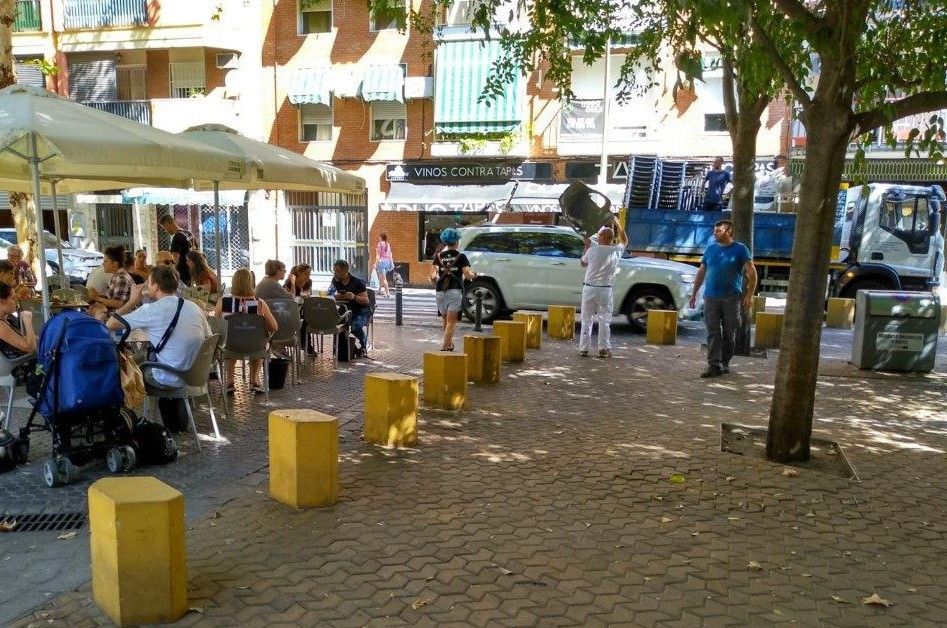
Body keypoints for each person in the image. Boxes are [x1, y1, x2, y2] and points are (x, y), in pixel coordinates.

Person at [106, 265, 210, 391]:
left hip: (167, 378)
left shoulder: (151, 311)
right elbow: (208, 337)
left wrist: (132, 301)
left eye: (148, 283)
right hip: (195, 376)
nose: (146, 286)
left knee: (129, 368)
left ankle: (132, 408)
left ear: (155, 287)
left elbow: (110, 324)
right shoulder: (194, 307)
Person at [689, 220, 757, 378]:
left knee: (729, 333)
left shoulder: (740, 249)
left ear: (729, 232)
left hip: (731, 299)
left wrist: (749, 295)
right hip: (711, 298)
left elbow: (751, 273)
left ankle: (725, 362)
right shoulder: (711, 249)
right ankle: (714, 365)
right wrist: (694, 293)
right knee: (713, 332)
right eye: (714, 230)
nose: (714, 233)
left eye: (718, 230)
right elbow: (702, 271)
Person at [215, 267, 277, 394]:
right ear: (251, 282)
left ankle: (229, 381)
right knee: (258, 339)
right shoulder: (260, 304)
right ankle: (254, 380)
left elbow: (215, 325)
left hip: (231, 347)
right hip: (255, 347)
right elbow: (275, 327)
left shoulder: (223, 302)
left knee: (230, 338)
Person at [578, 220, 627, 359]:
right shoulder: (616, 251)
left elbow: (582, 263)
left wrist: (586, 248)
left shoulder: (593, 250)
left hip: (589, 289)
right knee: (604, 320)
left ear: (604, 237)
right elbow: (625, 240)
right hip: (605, 290)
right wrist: (618, 224)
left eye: (599, 235)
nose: (598, 237)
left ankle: (584, 349)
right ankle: (603, 349)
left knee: (586, 319)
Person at [430, 228, 475, 352]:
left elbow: (433, 277)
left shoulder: (438, 257)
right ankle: (445, 346)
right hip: (455, 291)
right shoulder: (461, 257)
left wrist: (437, 281)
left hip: (440, 291)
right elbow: (467, 274)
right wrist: (474, 275)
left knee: (445, 319)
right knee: (451, 322)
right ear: (456, 241)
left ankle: (449, 344)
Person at [331, 259, 371, 357]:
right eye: (334, 270)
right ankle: (341, 349)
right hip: (345, 309)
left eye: (338, 271)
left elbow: (366, 300)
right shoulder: (335, 280)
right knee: (335, 324)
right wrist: (340, 296)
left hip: (361, 310)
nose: (335, 273)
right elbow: (332, 295)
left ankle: (364, 343)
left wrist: (354, 297)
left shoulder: (358, 282)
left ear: (345, 270)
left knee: (355, 327)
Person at [0, 281, 37, 381]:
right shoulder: (1, 325)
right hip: (15, 368)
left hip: (16, 363)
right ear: (2, 301)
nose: (16, 301)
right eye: (13, 298)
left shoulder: (4, 320)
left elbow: (21, 340)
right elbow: (30, 348)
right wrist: (28, 322)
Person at [89, 246, 134, 319]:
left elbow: (118, 304)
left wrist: (96, 298)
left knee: (93, 315)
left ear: (115, 264)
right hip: (118, 313)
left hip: (122, 316)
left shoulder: (121, 278)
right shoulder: (116, 276)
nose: (103, 264)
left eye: (106, 261)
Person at [159, 214, 192, 285]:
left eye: (164, 228)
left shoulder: (177, 237)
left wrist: (170, 274)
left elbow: (174, 260)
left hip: (182, 274)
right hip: (191, 272)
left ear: (167, 224)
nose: (165, 231)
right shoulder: (188, 233)